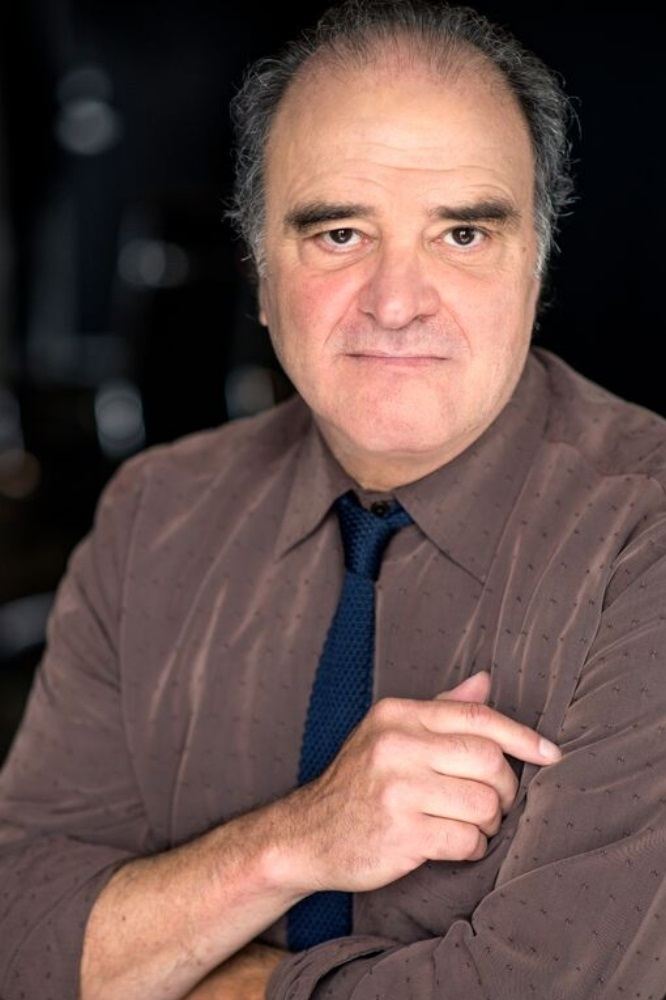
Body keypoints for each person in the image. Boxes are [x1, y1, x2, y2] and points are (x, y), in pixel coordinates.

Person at [1, 1, 665, 997]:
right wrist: (298, 840)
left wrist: (176, 964)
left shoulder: (644, 537)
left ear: (536, 262)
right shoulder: (154, 514)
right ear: (259, 271)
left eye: (463, 234)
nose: (396, 302)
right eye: (341, 233)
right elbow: (21, 936)